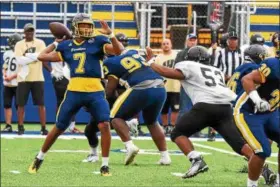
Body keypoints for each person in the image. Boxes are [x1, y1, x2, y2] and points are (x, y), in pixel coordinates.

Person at [28, 13, 124, 176]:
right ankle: (39, 157)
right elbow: (41, 56)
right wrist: (55, 43)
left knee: (104, 125)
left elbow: (118, 50)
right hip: (74, 91)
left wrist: (111, 34)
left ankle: (105, 165)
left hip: (95, 91)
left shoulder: (98, 41)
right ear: (75, 28)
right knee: (59, 127)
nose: (87, 29)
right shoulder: (66, 46)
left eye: (89, 25)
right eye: (83, 26)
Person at [148, 45, 253, 179]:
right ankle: (264, 168)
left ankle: (196, 160)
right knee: (238, 143)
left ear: (191, 58)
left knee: (177, 133)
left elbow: (169, 73)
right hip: (225, 108)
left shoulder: (189, 65)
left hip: (206, 106)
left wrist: (151, 62)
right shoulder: (216, 70)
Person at [103, 49, 171, 165]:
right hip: (160, 87)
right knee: (152, 122)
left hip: (141, 87)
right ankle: (165, 157)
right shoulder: (133, 53)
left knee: (115, 117)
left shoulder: (110, 62)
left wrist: (100, 99)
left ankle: (130, 146)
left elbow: (110, 90)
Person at [228, 44, 277, 185]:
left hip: (232, 106)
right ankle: (262, 171)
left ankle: (262, 168)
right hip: (246, 109)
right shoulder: (253, 69)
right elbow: (249, 82)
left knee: (248, 147)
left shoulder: (240, 68)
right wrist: (257, 100)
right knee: (261, 147)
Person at [241, 53, 279, 187]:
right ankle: (252, 185)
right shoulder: (274, 65)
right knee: (262, 150)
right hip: (249, 112)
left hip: (271, 112)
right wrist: (257, 100)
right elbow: (247, 79)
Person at [14, 23, 48, 135]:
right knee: (20, 104)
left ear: (34, 32)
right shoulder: (19, 44)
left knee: (41, 104)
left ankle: (43, 128)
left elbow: (42, 56)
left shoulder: (40, 42)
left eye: (31, 31)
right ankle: (20, 127)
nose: (29, 33)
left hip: (38, 77)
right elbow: (19, 60)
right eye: (27, 31)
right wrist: (34, 57)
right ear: (24, 32)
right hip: (23, 78)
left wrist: (26, 56)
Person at [154, 39, 179, 135]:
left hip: (175, 86)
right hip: (163, 87)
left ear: (171, 45)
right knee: (164, 109)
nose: (166, 45)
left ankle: (172, 126)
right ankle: (164, 126)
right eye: (163, 44)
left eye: (167, 43)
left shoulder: (176, 55)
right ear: (161, 46)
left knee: (175, 108)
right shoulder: (158, 57)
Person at [1, 33, 22, 132]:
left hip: (18, 83)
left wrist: (12, 76)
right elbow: (4, 66)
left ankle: (20, 125)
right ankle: (8, 125)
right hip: (8, 84)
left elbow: (23, 70)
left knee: (19, 106)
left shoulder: (22, 54)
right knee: (7, 105)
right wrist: (5, 74)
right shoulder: (7, 53)